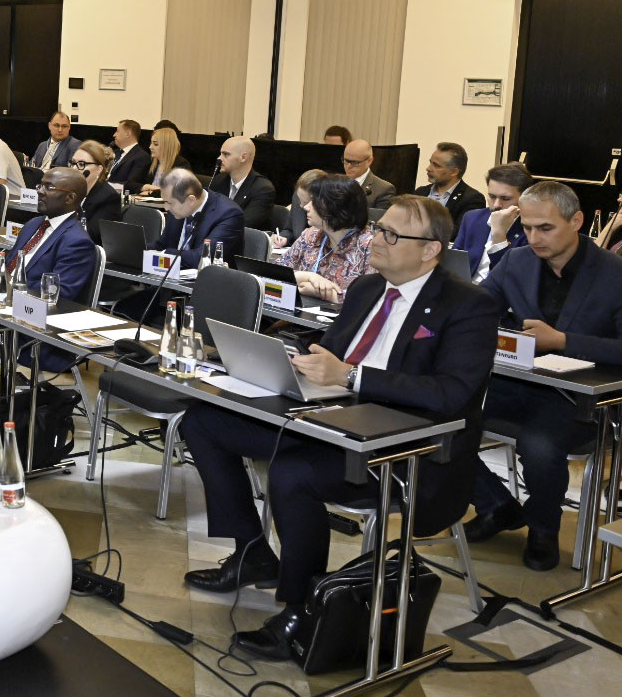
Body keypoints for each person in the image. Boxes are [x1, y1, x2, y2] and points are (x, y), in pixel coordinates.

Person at [182, 196, 499, 661]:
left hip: (407, 446)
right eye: (379, 228)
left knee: (292, 474)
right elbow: (331, 352)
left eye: (392, 234)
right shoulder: (368, 287)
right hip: (330, 417)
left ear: (431, 249)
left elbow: (452, 394)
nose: (376, 240)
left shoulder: (469, 305)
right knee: (204, 422)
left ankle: (299, 610)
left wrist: (352, 377)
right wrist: (292, 360)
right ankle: (252, 552)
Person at [465, 181, 622, 570]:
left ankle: (543, 528)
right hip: (517, 382)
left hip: (580, 399)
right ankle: (496, 504)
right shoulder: (517, 261)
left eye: (545, 228)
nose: (534, 238)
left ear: (576, 221)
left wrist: (562, 341)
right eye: (527, 227)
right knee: (442, 416)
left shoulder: (618, 275)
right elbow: (476, 308)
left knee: (539, 445)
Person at [0, 168, 100, 403]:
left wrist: (5, 281)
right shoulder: (34, 225)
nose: (40, 191)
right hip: (3, 315)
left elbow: (56, 300)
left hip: (37, 333)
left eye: (48, 187)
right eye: (40, 185)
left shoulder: (77, 242)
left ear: (70, 198)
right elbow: (10, 269)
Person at [279, 173, 375, 301]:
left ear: (335, 206)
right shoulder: (311, 234)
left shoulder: (369, 246)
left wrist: (325, 294)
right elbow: (273, 273)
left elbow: (371, 298)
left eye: (314, 202)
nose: (306, 207)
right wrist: (306, 277)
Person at [151, 168, 244, 269]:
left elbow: (202, 259)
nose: (166, 208)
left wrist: (164, 253)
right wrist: (141, 249)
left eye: (170, 203)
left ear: (191, 200)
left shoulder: (229, 214)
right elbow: (162, 245)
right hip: (172, 274)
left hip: (208, 277)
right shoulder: (176, 208)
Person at [453, 162, 531, 282]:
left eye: (505, 198)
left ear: (523, 198)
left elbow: (511, 276)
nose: (496, 205)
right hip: (466, 287)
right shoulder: (472, 218)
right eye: (492, 196)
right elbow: (455, 261)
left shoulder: (531, 228)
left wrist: (499, 235)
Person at [208, 136, 277, 231]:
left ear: (243, 157)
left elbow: (242, 224)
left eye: (226, 154)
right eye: (221, 154)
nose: (219, 158)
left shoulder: (263, 189)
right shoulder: (218, 181)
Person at [413, 141, 485, 224]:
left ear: (454, 172)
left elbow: (461, 230)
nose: (428, 168)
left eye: (436, 165)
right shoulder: (420, 192)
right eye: (430, 163)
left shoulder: (472, 199)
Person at [73, 141, 121, 233]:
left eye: (81, 164)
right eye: (73, 163)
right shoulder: (69, 189)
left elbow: (91, 234)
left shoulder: (109, 198)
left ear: (99, 169)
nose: (74, 168)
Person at [272, 168, 325, 250]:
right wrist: (284, 238)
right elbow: (290, 230)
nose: (302, 206)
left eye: (306, 202)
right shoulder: (298, 197)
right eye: (300, 200)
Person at [342, 139, 395, 208]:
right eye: (346, 160)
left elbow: (379, 215)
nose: (348, 166)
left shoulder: (383, 189)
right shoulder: (335, 184)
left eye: (355, 162)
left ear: (369, 161)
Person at [137, 126, 185, 195]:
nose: (150, 147)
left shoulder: (181, 164)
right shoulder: (151, 163)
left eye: (155, 144)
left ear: (166, 146)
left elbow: (179, 190)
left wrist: (151, 193)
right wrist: (144, 187)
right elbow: (131, 183)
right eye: (151, 143)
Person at [108, 120, 149, 193]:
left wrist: (107, 186)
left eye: (117, 131)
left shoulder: (141, 156)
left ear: (127, 134)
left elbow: (132, 185)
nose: (114, 135)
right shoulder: (117, 153)